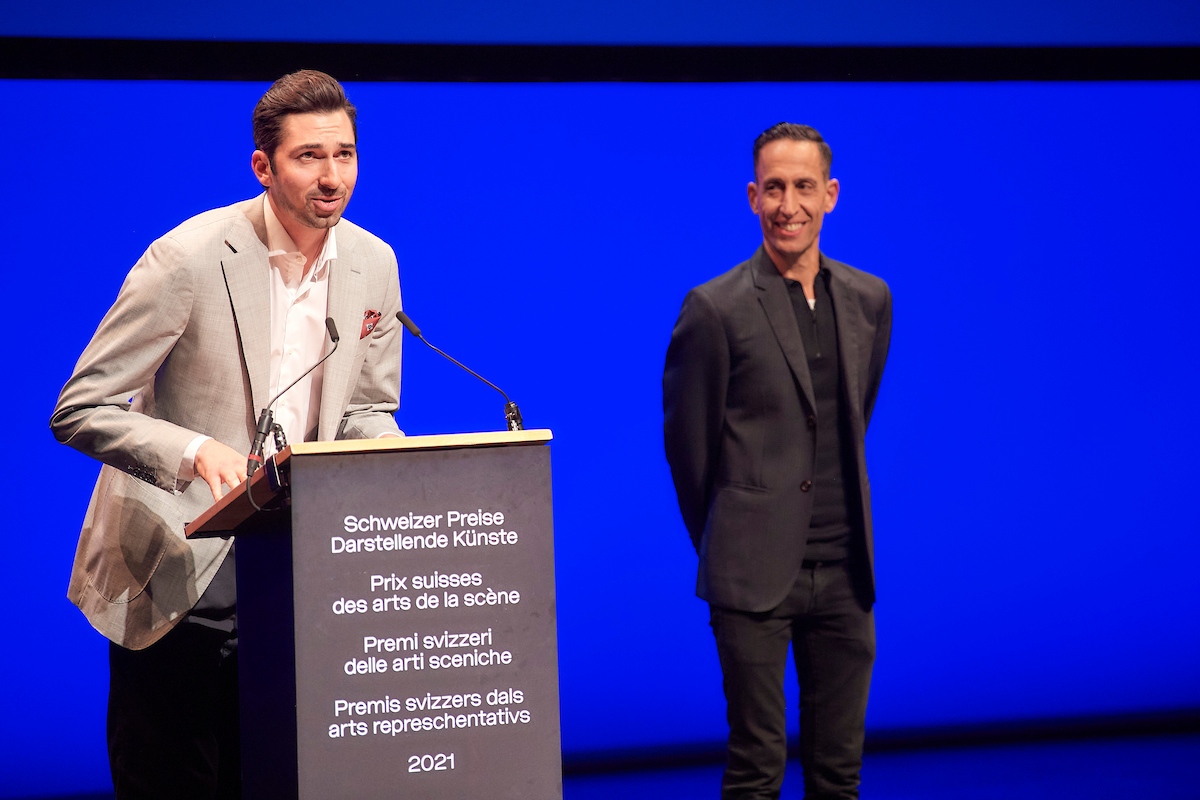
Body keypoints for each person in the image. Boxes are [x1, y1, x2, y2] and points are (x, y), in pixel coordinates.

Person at [50, 70, 404, 799]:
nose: (331, 175)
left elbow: (367, 406)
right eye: (309, 156)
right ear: (264, 165)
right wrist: (192, 450)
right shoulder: (188, 256)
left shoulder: (374, 263)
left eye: (344, 154)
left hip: (293, 579)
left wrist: (398, 465)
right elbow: (82, 407)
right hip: (175, 567)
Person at [663, 123, 891, 799]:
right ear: (752, 197)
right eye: (773, 188)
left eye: (802, 187)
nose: (788, 204)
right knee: (757, 769)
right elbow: (689, 450)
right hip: (753, 575)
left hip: (846, 573)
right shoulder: (715, 307)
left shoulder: (869, 300)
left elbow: (853, 416)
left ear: (831, 195)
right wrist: (733, 536)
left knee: (838, 774)